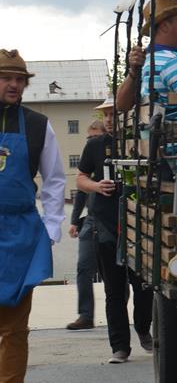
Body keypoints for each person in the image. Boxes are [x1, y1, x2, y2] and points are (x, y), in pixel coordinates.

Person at [0, 49, 66, 383]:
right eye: (6, 78)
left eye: (19, 79)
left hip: (20, 235)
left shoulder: (39, 125)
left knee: (14, 329)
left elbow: (56, 179)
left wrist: (52, 227)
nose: (13, 85)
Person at [76, 98, 153, 363]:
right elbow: (81, 177)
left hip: (139, 225)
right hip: (106, 225)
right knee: (114, 290)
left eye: (114, 114)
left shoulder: (142, 142)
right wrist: (96, 187)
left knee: (143, 288)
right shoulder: (95, 145)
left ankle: (143, 328)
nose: (109, 119)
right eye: (106, 115)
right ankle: (119, 347)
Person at [115, 0, 177, 123]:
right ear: (164, 26)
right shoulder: (173, 61)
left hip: (155, 141)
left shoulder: (147, 60)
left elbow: (121, 105)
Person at [66, 121, 106, 330]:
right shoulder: (88, 157)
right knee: (83, 267)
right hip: (90, 220)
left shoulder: (107, 156)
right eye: (88, 138)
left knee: (113, 270)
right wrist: (74, 221)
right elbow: (81, 190)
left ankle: (116, 310)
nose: (90, 142)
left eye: (94, 137)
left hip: (110, 219)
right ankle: (85, 315)